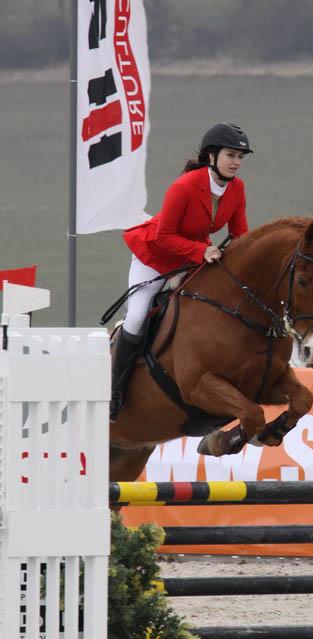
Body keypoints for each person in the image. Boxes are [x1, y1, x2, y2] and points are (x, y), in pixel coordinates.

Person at [110, 122, 253, 421]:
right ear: (211, 156)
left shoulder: (237, 188)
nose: (237, 162)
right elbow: (163, 237)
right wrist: (201, 251)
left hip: (190, 259)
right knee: (136, 317)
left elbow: (240, 234)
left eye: (240, 156)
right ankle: (115, 390)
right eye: (231, 155)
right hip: (154, 257)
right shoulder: (184, 186)